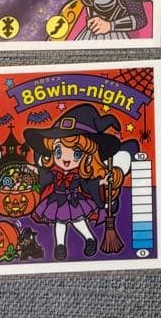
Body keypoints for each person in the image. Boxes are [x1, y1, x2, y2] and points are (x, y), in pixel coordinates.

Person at [25, 104, 137, 261]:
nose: (66, 158)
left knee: (79, 220)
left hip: (75, 200)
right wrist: (35, 170)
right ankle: (60, 246)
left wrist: (102, 182)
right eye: (59, 151)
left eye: (76, 153)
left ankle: (90, 239)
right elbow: (45, 176)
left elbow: (87, 184)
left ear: (88, 156)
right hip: (57, 200)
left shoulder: (79, 173)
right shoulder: (54, 172)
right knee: (60, 222)